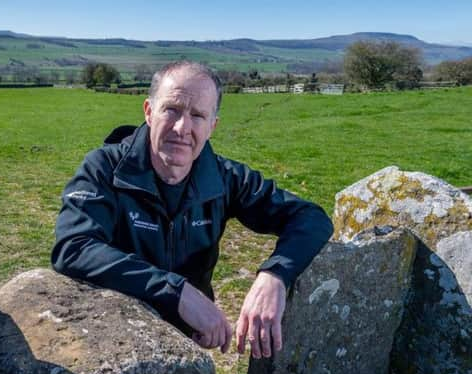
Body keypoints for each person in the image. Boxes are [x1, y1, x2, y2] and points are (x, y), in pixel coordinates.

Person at [51, 61, 333, 359]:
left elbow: (311, 218)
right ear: (148, 111)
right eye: (172, 109)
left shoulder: (225, 178)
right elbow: (74, 247)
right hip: (117, 338)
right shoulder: (105, 168)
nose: (182, 128)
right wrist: (176, 292)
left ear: (212, 126)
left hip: (191, 343)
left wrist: (275, 275)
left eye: (197, 115)